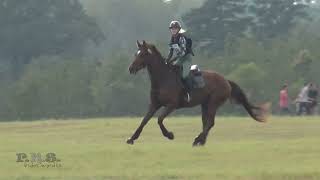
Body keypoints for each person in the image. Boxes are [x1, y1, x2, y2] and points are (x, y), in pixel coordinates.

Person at [166, 20, 194, 102]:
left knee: (184, 75)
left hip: (186, 58)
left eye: (175, 28)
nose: (173, 30)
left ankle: (189, 94)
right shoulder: (172, 39)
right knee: (172, 72)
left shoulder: (182, 38)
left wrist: (172, 60)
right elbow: (170, 52)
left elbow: (182, 52)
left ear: (178, 29)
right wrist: (167, 60)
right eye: (172, 29)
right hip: (179, 59)